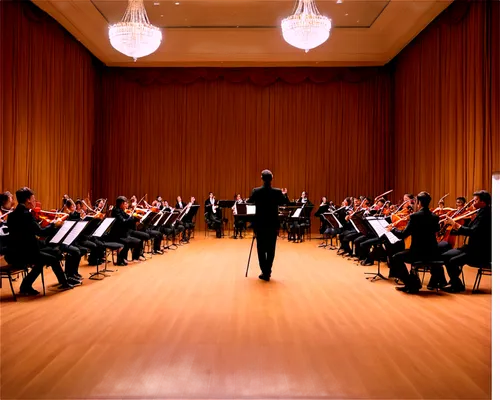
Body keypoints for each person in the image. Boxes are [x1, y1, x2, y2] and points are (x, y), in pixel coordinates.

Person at [5, 187, 73, 295]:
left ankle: (25, 286)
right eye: (33, 198)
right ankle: (64, 284)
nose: (34, 201)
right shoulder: (26, 214)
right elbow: (41, 232)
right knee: (52, 259)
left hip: (15, 252)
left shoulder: (12, 215)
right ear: (28, 200)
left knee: (47, 256)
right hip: (25, 253)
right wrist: (54, 225)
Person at [387, 191, 445, 293]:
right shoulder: (435, 217)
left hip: (417, 253)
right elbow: (437, 231)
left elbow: (403, 235)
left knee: (396, 258)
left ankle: (411, 283)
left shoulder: (415, 217)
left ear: (418, 203)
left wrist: (392, 229)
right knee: (400, 255)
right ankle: (413, 283)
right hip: (433, 253)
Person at [441, 190, 492, 293]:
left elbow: (473, 232)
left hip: (480, 251)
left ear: (483, 202)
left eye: (476, 200)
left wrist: (455, 224)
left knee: (453, 261)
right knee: (445, 255)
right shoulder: (479, 212)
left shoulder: (487, 215)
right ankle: (455, 282)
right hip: (471, 247)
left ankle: (457, 285)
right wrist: (449, 231)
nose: (473, 201)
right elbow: (467, 229)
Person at [248, 169, 288, 281]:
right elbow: (285, 203)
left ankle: (264, 271)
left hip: (260, 224)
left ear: (261, 178)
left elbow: (250, 202)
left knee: (261, 249)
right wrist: (284, 195)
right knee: (271, 249)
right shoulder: (277, 192)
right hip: (272, 224)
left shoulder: (256, 191)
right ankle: (268, 271)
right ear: (272, 178)